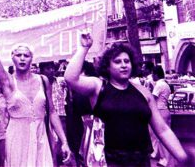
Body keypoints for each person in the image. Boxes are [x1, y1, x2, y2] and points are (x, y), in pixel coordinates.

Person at [64, 33, 188, 166]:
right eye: (117, 62)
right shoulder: (98, 87)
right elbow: (71, 78)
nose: (124, 65)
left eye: (126, 61)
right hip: (109, 161)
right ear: (108, 67)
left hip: (141, 161)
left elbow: (162, 129)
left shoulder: (144, 92)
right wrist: (84, 48)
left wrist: (183, 158)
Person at [0, 7, 70, 167]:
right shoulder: (8, 82)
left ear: (32, 59)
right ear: (12, 58)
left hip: (41, 136)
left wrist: (64, 141)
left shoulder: (43, 80)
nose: (22, 58)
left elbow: (52, 112)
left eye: (26, 55)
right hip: (17, 137)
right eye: (18, 55)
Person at [151, 65, 172, 167]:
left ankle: (165, 160)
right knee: (166, 136)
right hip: (165, 111)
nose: (152, 76)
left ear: (155, 74)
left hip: (159, 111)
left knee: (161, 137)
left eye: (152, 74)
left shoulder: (159, 85)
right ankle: (166, 159)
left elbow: (152, 98)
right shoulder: (166, 84)